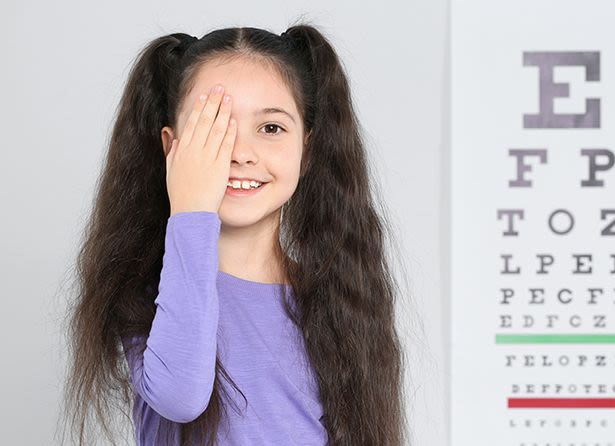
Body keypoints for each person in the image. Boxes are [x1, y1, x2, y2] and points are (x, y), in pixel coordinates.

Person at [58, 21, 407, 446]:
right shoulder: (148, 294)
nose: (241, 154)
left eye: (272, 128)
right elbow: (181, 396)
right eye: (215, 129)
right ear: (172, 148)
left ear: (307, 148)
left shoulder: (335, 298)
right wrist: (191, 209)